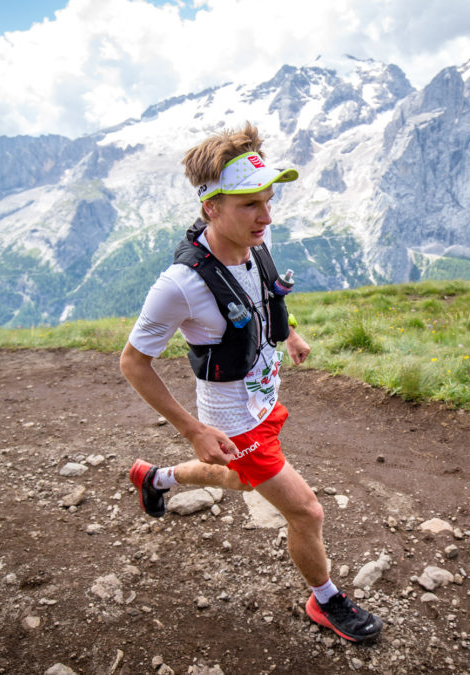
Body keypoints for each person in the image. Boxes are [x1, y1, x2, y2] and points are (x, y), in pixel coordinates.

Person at [119, 122, 382, 643]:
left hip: (263, 398)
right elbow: (132, 363)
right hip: (233, 419)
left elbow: (263, 302)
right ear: (210, 207)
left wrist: (290, 336)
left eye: (268, 199)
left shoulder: (253, 244)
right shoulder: (180, 284)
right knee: (307, 510)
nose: (265, 215)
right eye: (248, 204)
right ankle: (325, 602)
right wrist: (194, 429)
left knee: (240, 481)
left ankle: (157, 479)